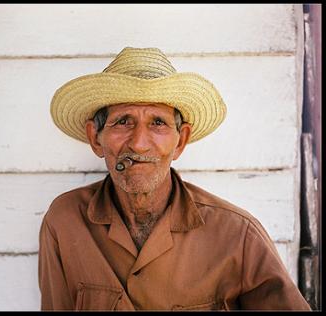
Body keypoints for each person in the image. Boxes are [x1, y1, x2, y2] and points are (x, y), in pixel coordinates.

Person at [38, 47, 311, 311]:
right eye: (123, 121)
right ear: (95, 138)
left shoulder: (237, 235)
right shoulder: (65, 222)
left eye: (158, 122)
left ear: (181, 141)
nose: (140, 144)